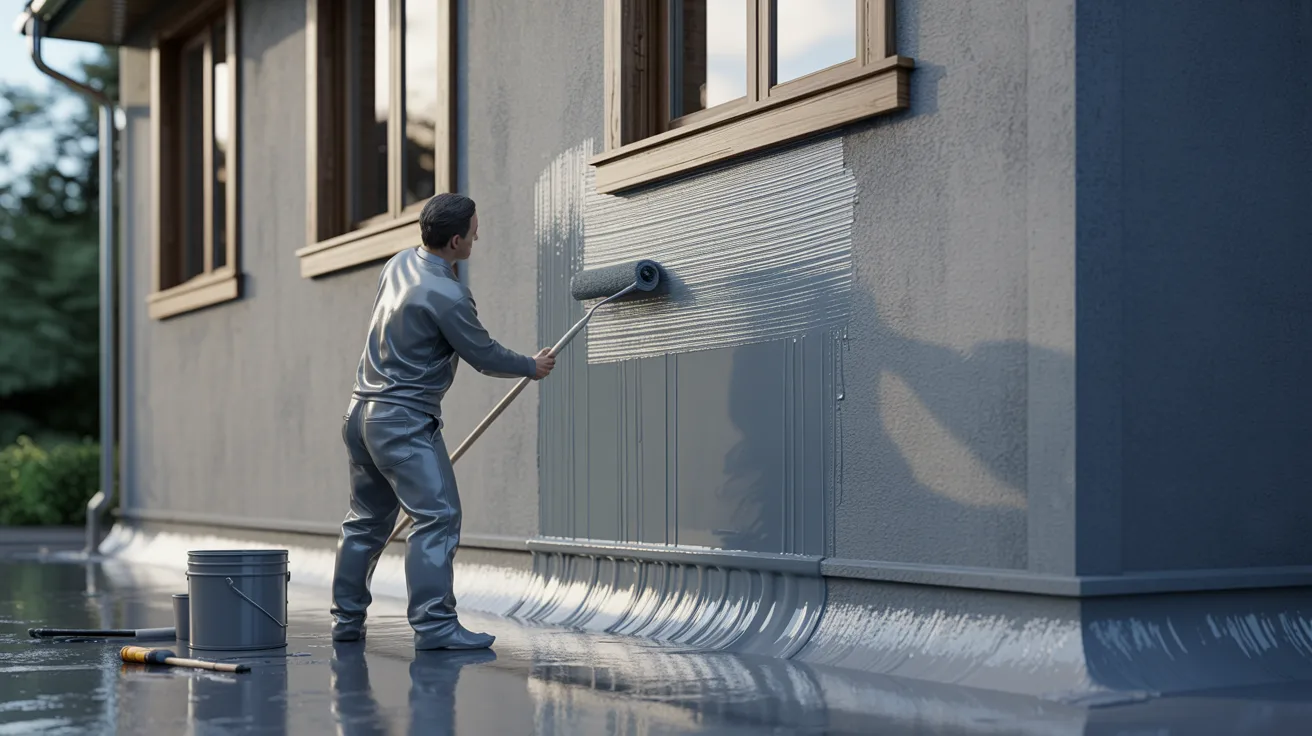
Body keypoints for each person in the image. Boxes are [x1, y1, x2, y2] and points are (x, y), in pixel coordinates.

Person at [329, 193, 555, 649]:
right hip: (403, 422)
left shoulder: (398, 263)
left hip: (360, 415)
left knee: (365, 522)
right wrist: (532, 366)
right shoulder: (449, 294)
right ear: (456, 241)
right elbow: (483, 355)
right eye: (474, 229)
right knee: (437, 517)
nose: (479, 234)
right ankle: (435, 626)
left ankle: (345, 622)